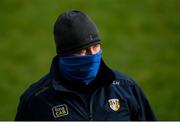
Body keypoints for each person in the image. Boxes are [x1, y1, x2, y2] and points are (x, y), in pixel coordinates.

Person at [15, 10, 156, 121]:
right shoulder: (36, 100)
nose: (92, 54)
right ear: (64, 54)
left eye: (95, 46)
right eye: (83, 50)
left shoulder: (126, 88)